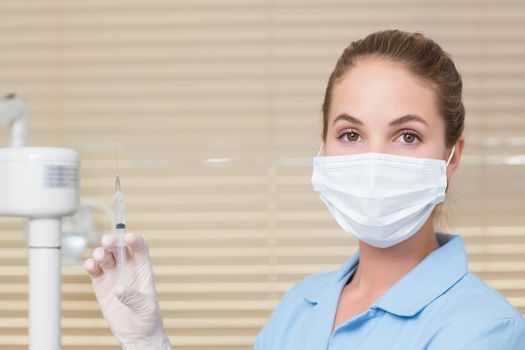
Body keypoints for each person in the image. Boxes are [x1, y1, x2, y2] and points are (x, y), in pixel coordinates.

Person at [84, 30, 525, 349]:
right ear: (324, 146)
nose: (372, 162)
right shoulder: (302, 305)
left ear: (452, 157)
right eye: (351, 135)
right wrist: (147, 342)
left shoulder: (483, 329)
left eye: (407, 136)